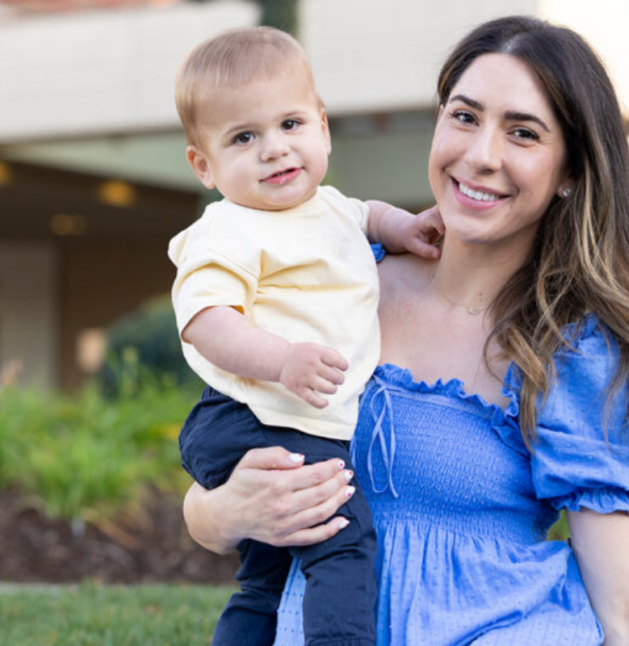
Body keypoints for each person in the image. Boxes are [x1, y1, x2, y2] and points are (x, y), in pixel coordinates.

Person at [182, 16, 629, 646]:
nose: (481, 155)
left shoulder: (574, 348)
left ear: (570, 171)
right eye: (464, 117)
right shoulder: (333, 290)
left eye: (522, 133)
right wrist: (226, 513)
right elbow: (208, 496)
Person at [168, 26, 443, 646]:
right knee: (343, 544)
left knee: (266, 579)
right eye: (244, 137)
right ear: (203, 165)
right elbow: (205, 321)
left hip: (296, 419)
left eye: (290, 125)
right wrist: (282, 359)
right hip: (251, 413)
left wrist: (404, 228)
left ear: (322, 127)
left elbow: (368, 214)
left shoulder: (333, 209)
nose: (274, 149)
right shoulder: (227, 231)